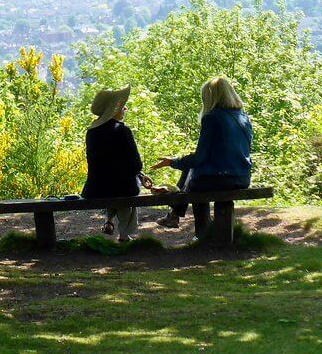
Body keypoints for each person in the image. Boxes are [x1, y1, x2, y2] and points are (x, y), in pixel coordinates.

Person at [150, 76, 252, 228]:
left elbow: (199, 158)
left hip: (221, 179)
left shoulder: (212, 117)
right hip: (242, 178)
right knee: (192, 170)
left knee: (194, 178)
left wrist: (172, 162)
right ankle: (174, 215)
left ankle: (198, 230)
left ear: (210, 97)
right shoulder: (243, 117)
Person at [83, 85, 147, 242]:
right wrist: (140, 175)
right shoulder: (123, 131)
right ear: (113, 109)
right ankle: (125, 235)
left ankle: (109, 219)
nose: (125, 108)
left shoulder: (91, 132)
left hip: (95, 189)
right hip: (123, 188)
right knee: (128, 189)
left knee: (112, 185)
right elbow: (136, 165)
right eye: (121, 106)